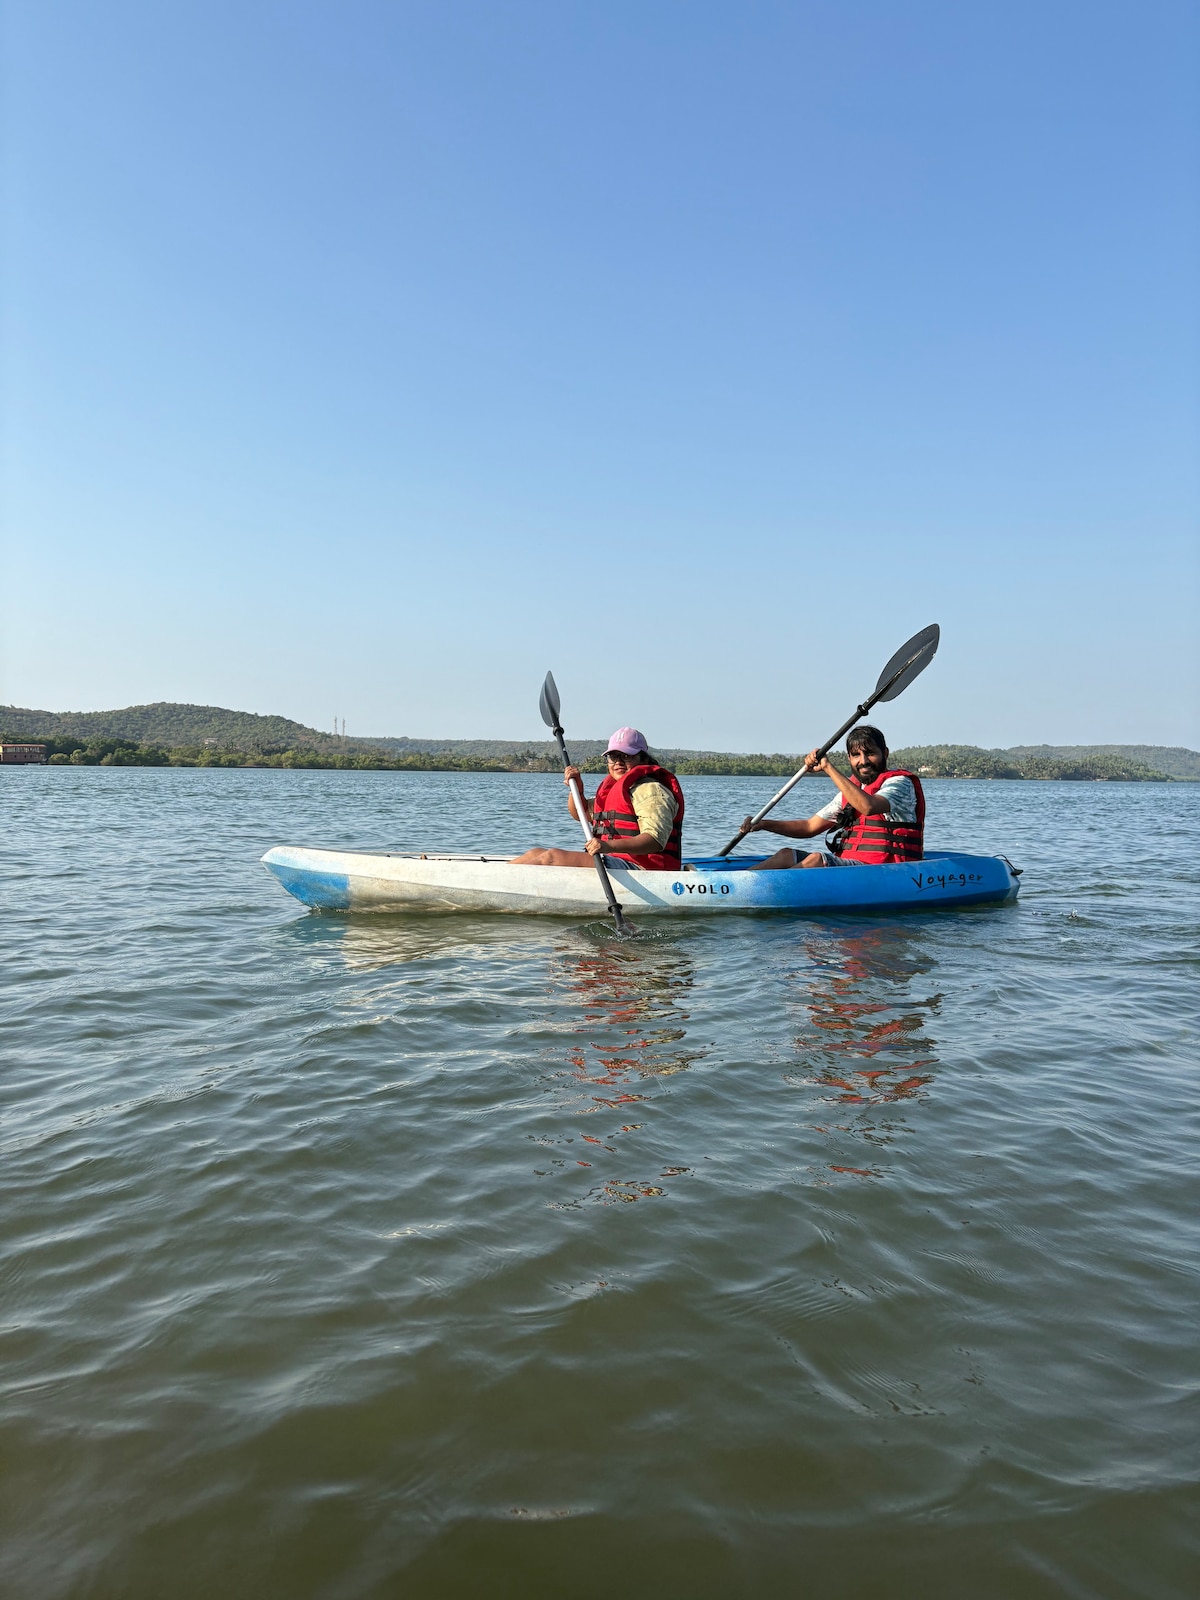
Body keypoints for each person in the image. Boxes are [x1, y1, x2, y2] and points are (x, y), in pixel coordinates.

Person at [738, 725, 924, 868]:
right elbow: (809, 827)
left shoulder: (900, 783)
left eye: (870, 753)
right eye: (856, 755)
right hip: (852, 866)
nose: (863, 761)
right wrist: (764, 824)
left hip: (886, 869)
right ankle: (738, 885)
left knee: (817, 860)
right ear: (849, 759)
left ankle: (767, 891)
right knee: (786, 855)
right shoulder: (851, 792)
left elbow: (868, 806)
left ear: (885, 753)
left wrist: (827, 767)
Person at [511, 728, 685, 870]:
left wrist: (608, 847)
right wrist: (576, 790)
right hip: (614, 860)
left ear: (643, 758)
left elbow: (654, 840)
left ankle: (500, 882)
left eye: (626, 756)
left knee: (552, 857)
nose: (618, 762)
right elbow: (583, 813)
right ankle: (494, 877)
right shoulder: (615, 789)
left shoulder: (651, 791)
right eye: (613, 756)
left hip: (645, 870)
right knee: (535, 853)